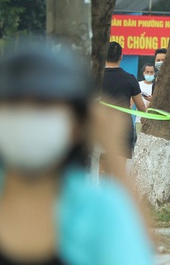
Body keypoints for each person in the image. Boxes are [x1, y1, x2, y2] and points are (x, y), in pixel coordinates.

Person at [0, 39, 153, 264]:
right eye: (14, 106)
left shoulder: (99, 209)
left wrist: (111, 142)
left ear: (76, 125)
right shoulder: (102, 206)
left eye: (43, 107)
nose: (28, 119)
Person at [102, 42, 146, 162]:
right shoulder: (129, 79)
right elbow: (141, 106)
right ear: (121, 57)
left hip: (100, 125)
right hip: (123, 127)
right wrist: (145, 117)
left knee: (101, 165)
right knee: (119, 167)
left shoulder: (96, 78)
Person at [135, 63, 155, 133]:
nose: (149, 74)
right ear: (143, 73)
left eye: (151, 72)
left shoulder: (157, 86)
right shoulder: (138, 85)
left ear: (154, 73)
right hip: (139, 120)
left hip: (154, 121)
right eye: (147, 72)